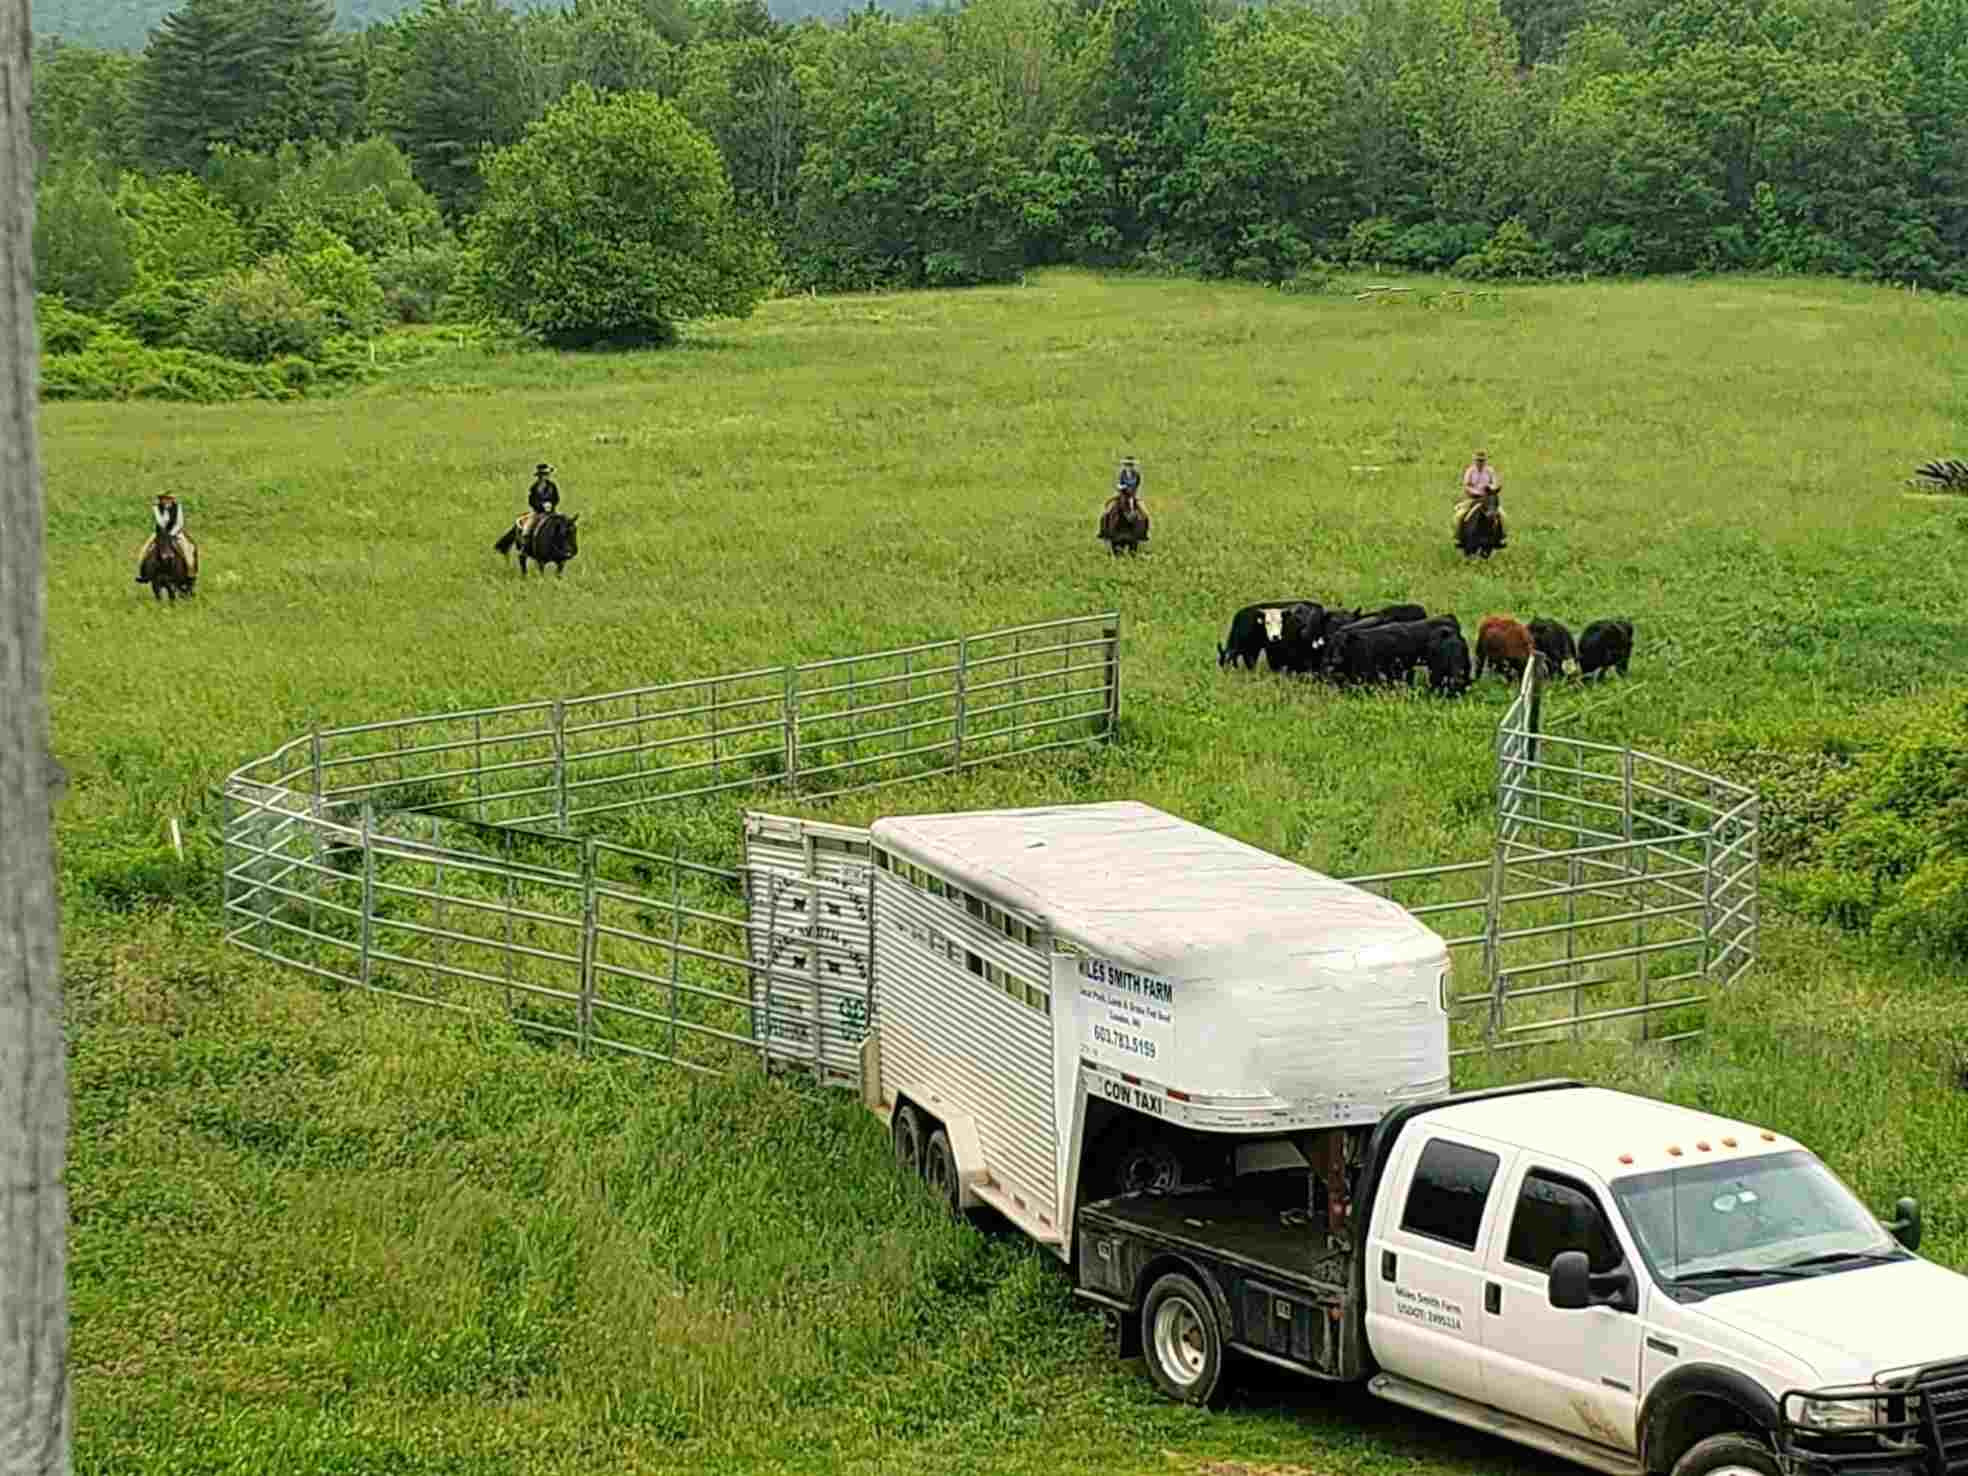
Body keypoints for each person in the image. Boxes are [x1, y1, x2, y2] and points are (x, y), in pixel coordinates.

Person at [136, 492, 196, 583]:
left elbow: (180, 523)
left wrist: (172, 534)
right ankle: (142, 574)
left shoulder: (177, 507)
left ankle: (190, 575)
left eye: (168, 498)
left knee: (188, 551)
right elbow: (160, 522)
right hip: (160, 533)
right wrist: (164, 515)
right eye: (164, 498)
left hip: (176, 533)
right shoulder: (156, 508)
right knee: (144, 550)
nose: (166, 500)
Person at [516, 463, 560, 547]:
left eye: (546, 474)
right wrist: (541, 506)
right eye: (543, 475)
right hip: (538, 512)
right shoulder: (534, 487)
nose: (545, 476)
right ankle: (525, 547)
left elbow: (556, 498)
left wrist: (551, 504)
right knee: (527, 529)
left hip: (551, 511)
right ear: (539, 476)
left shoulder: (552, 486)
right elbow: (531, 501)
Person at [1456, 449, 1498, 528]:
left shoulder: (1490, 471)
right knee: (1460, 515)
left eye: (1482, 460)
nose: (1480, 463)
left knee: (1501, 515)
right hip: (1473, 498)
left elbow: (1495, 483)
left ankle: (1502, 535)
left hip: (1487, 498)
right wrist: (1476, 492)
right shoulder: (1470, 471)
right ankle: (1458, 534)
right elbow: (1466, 485)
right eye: (1478, 460)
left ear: (1485, 461)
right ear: (1474, 460)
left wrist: (1490, 488)